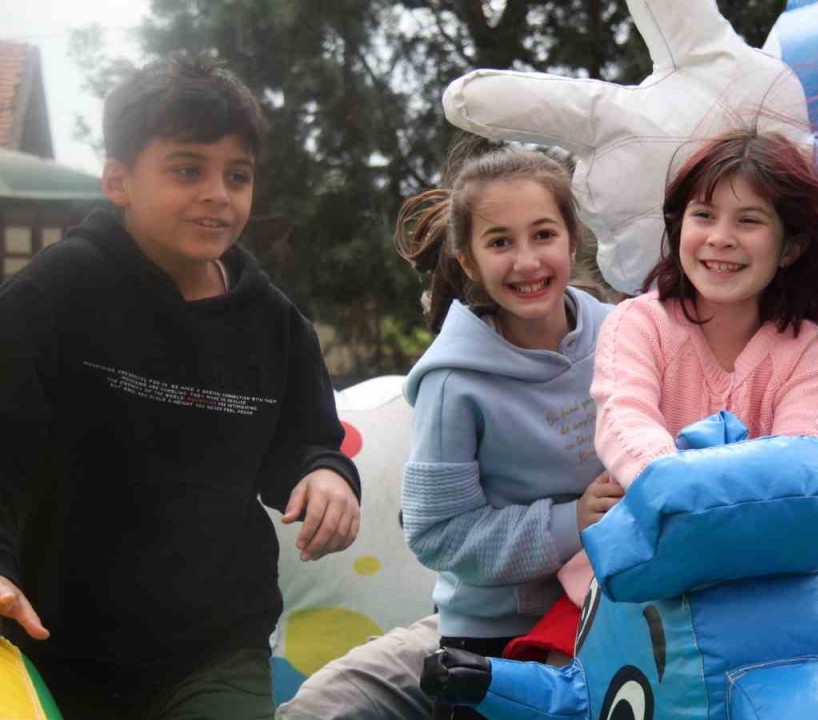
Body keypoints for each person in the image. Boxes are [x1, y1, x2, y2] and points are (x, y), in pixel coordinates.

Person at [0, 56, 362, 719]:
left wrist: (327, 474)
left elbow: (306, 443)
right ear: (119, 180)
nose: (218, 194)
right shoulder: (53, 295)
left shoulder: (276, 326)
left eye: (237, 175)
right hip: (47, 638)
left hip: (214, 648)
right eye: (188, 170)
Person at [552, 129, 818, 637]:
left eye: (749, 220)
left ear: (790, 247)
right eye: (704, 215)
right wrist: (672, 489)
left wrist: (717, 508)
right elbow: (623, 417)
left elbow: (799, 460)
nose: (721, 237)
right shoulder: (639, 323)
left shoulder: (809, 353)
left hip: (760, 561)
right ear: (678, 226)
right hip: (648, 552)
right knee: (562, 660)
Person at [277, 146, 612, 720]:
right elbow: (438, 534)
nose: (527, 261)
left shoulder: (622, 334)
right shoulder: (453, 382)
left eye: (543, 235)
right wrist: (572, 521)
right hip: (496, 636)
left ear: (572, 239)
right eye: (500, 242)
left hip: (615, 609)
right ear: (469, 261)